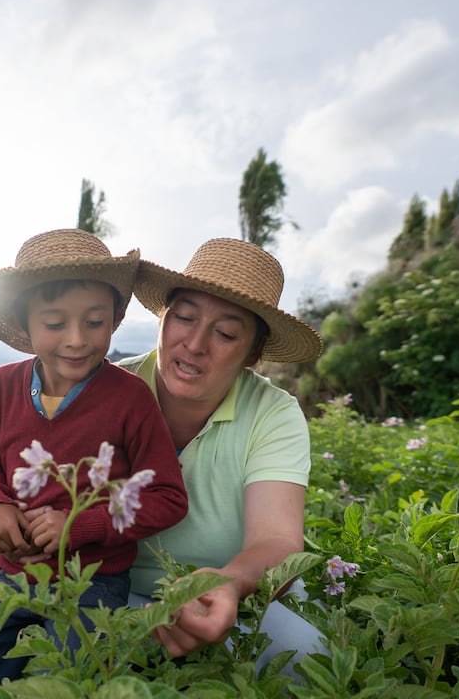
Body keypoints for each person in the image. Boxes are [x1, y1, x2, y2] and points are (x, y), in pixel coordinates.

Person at [0, 228, 189, 698]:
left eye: (94, 321)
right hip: (15, 577)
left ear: (116, 320)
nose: (77, 340)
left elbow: (167, 498)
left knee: (70, 685)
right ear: (26, 325)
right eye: (55, 323)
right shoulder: (2, 387)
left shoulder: (130, 398)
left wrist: (79, 525)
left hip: (95, 584)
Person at [115, 237, 325, 667]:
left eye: (226, 332)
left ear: (254, 353)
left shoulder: (274, 413)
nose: (194, 344)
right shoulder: (108, 390)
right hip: (117, 593)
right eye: (184, 317)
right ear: (162, 317)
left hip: (233, 596)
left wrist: (225, 583)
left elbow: (277, 541)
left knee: (310, 656)